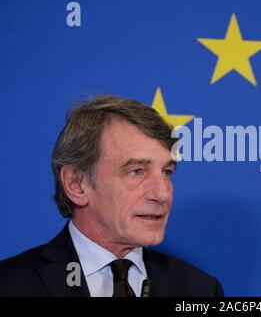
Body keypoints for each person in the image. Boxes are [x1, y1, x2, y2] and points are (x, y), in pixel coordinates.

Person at [0, 95, 224, 297]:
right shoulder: (9, 285)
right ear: (76, 185)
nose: (163, 193)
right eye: (136, 171)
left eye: (167, 172)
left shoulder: (200, 289)